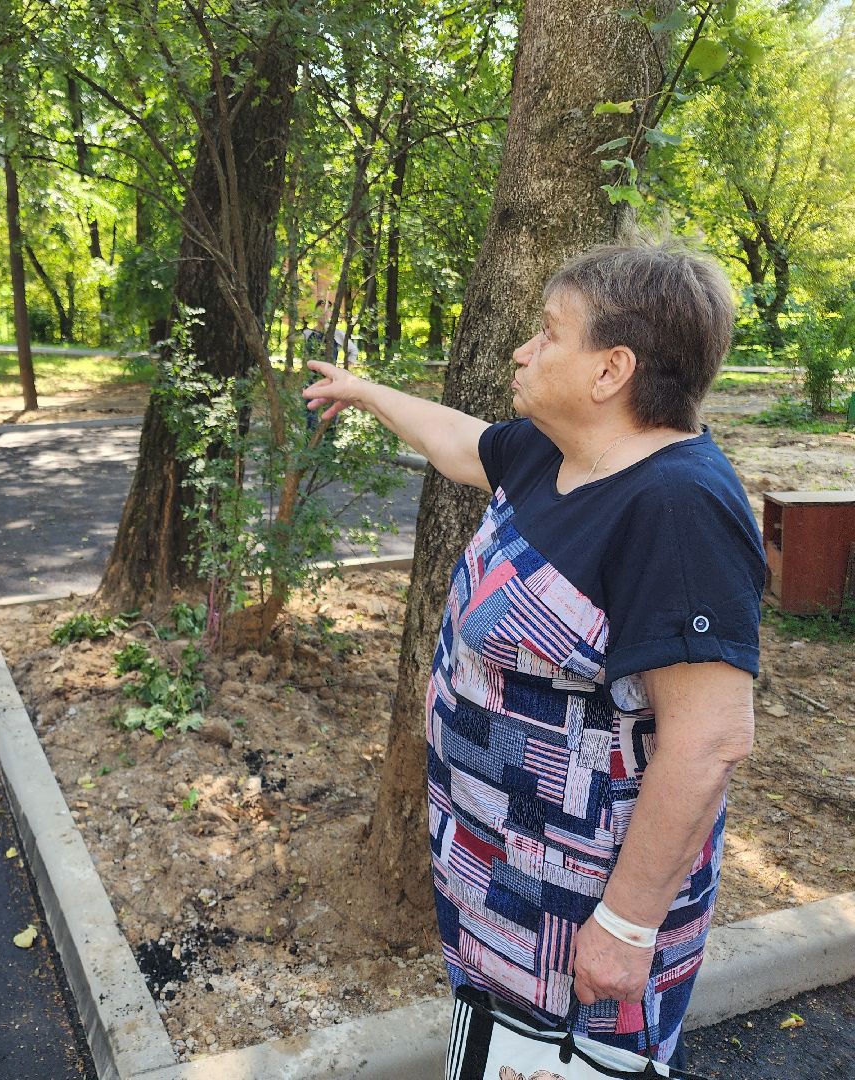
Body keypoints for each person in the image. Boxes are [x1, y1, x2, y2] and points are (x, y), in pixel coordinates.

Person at [303, 238, 764, 1066]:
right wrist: (366, 392)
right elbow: (457, 443)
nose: (524, 349)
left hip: (582, 908)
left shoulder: (679, 504)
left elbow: (710, 740)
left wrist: (626, 927)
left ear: (609, 370)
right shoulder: (552, 454)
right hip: (497, 872)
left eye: (549, 332)